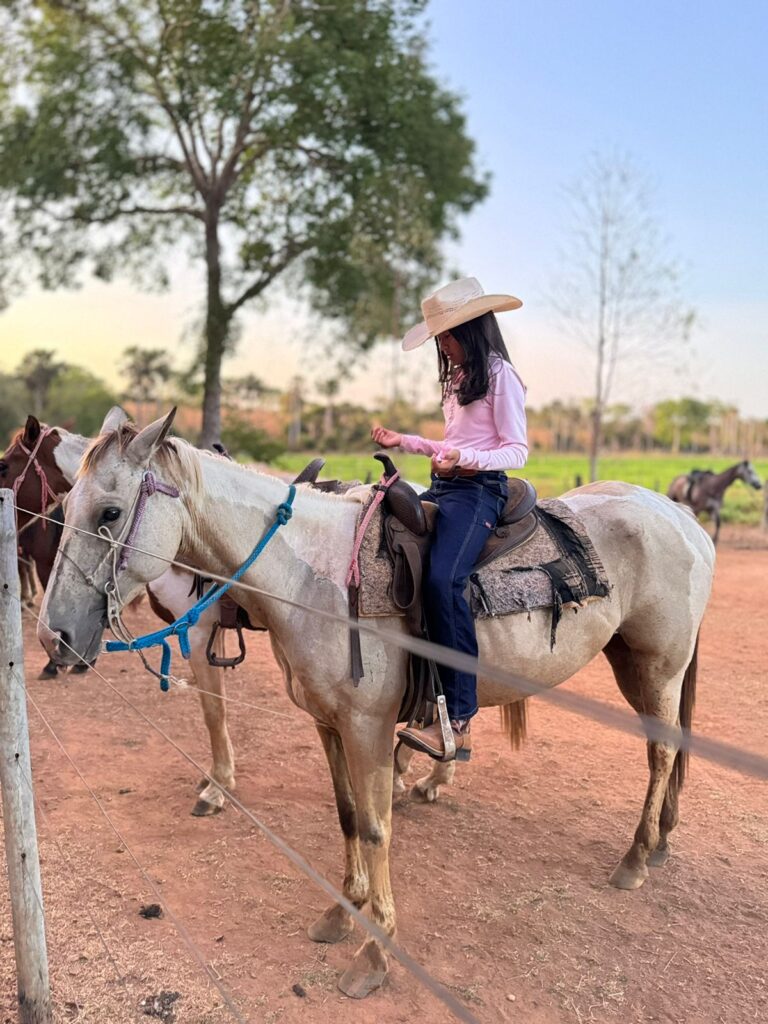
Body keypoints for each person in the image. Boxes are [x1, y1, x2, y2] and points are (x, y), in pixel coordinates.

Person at [371, 277, 528, 762]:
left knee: (442, 580)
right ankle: (414, 688)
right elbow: (453, 444)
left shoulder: (502, 376)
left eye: (448, 334)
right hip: (446, 484)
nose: (443, 344)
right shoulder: (459, 379)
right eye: (439, 337)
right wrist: (409, 443)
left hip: (479, 492)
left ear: (474, 329)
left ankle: (458, 717)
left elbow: (515, 451)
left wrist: (463, 460)